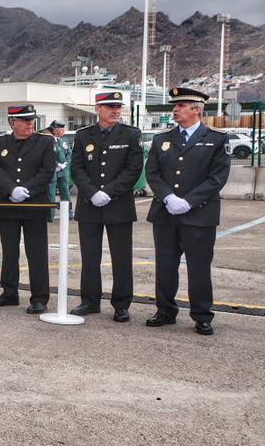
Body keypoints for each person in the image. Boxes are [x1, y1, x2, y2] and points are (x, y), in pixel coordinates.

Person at [145, 86, 231, 335]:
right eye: (175, 105)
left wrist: (189, 201)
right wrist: (168, 197)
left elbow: (217, 178)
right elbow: (152, 173)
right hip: (166, 213)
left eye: (180, 106)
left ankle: (202, 315)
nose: (175, 109)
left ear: (197, 110)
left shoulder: (216, 138)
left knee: (199, 267)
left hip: (199, 215)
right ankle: (165, 310)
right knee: (165, 265)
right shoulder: (162, 139)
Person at [69, 92, 143, 321]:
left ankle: (121, 304)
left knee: (121, 258)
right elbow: (77, 169)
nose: (115, 110)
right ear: (97, 109)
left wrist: (108, 193)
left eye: (118, 107)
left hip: (118, 205)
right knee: (90, 257)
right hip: (89, 206)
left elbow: (133, 169)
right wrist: (92, 193)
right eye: (110, 106)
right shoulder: (83, 136)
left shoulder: (131, 134)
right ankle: (90, 301)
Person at [0, 104, 56, 314]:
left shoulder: (45, 142)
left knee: (37, 254)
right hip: (8, 204)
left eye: (31, 120)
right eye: (24, 120)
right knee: (9, 252)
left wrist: (26, 190)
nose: (29, 124)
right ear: (12, 122)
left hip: (34, 204)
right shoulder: (0, 143)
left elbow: (47, 171)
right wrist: (11, 190)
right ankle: (9, 293)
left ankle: (39, 298)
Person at [46, 120, 71, 221]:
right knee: (51, 193)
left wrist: (65, 164)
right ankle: (50, 216)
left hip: (63, 170)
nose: (63, 131)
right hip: (53, 170)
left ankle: (68, 213)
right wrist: (57, 164)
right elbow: (49, 155)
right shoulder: (49, 140)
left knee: (65, 192)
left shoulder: (64, 140)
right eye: (61, 129)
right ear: (55, 131)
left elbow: (69, 153)